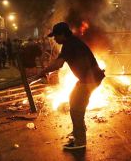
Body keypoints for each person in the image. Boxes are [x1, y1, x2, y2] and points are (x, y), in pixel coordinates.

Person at [37, 22, 105, 150]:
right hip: (88, 79)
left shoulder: (69, 44)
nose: (54, 39)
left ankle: (80, 141)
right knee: (73, 99)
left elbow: (58, 64)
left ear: (62, 34)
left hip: (90, 80)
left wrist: (42, 72)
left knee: (76, 110)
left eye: (56, 36)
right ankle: (79, 129)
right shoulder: (72, 42)